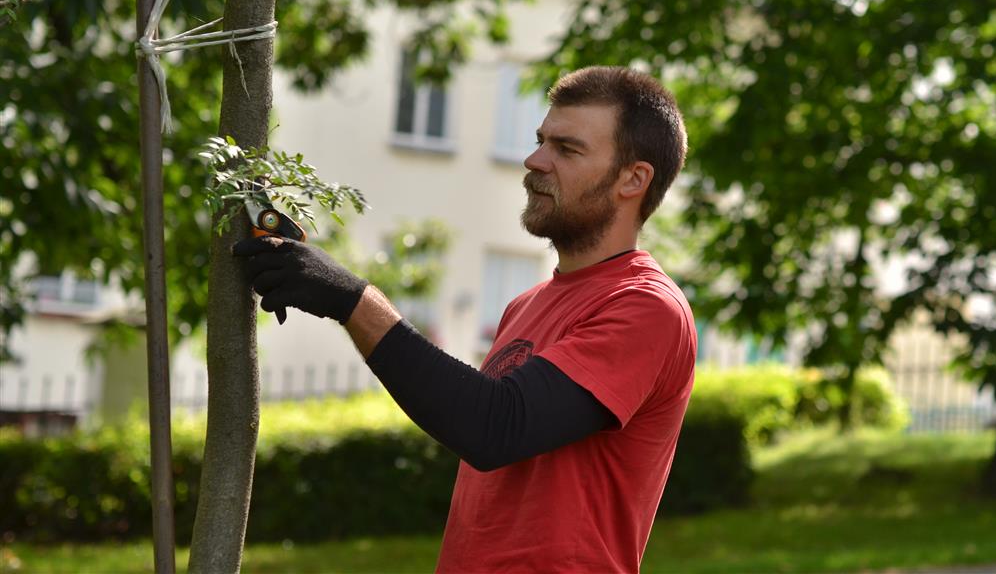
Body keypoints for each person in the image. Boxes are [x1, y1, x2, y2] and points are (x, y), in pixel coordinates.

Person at [233, 66, 697, 573]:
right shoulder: (526, 305)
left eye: (567, 149)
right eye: (541, 141)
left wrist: (352, 299)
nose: (534, 160)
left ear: (634, 179)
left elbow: (494, 426)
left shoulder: (646, 308)